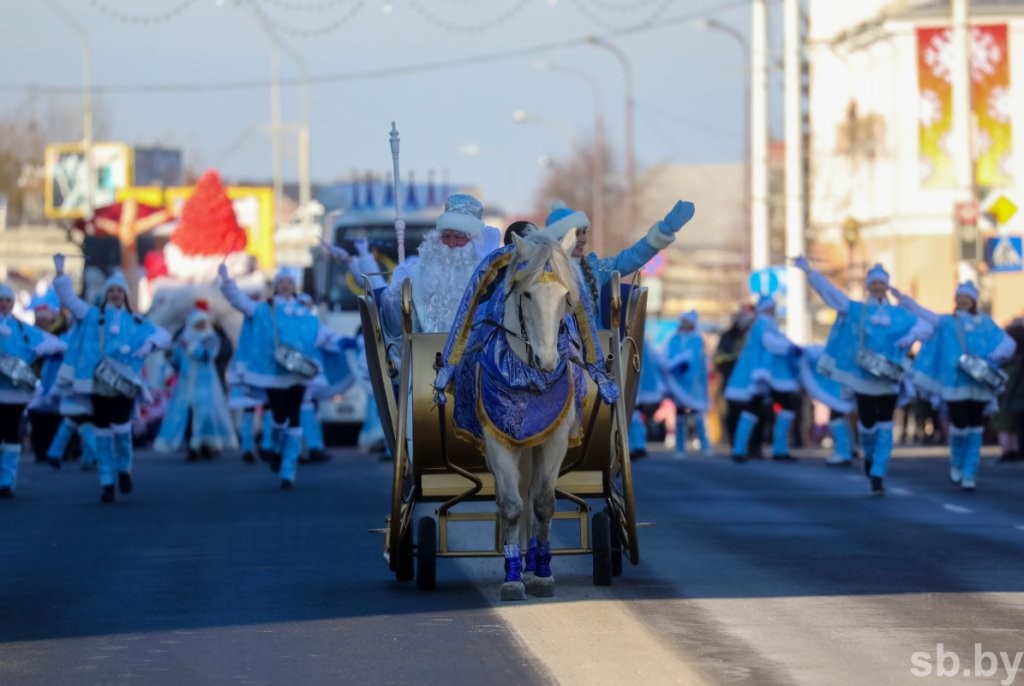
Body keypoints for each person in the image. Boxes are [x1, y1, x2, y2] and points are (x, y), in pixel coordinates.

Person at [795, 257, 931, 494]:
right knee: (867, 423)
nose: (878, 287)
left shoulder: (899, 314)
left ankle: (879, 470)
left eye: (881, 283)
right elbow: (832, 295)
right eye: (874, 283)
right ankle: (870, 456)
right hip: (863, 377)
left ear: (886, 286)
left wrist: (910, 338)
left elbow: (926, 326)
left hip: (889, 377)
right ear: (868, 286)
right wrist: (811, 273)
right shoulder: (857, 310)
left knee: (886, 422)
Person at [52, 255, 171, 503]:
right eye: (112, 290)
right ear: (106, 293)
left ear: (125, 295)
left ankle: (124, 469)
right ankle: (107, 481)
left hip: (124, 386)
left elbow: (163, 336)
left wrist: (148, 344)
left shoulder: (136, 321)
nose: (116, 294)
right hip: (97, 385)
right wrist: (61, 276)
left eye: (120, 290)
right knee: (103, 432)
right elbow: (70, 301)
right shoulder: (91, 315)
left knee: (121, 429)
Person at [218, 264, 338, 489]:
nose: (285, 286)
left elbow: (320, 333)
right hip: (272, 372)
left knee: (294, 417)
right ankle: (276, 448)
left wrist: (342, 341)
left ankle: (288, 470)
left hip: (298, 372)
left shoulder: (304, 311)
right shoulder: (265, 308)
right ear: (275, 286)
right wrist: (226, 281)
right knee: (279, 415)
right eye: (282, 282)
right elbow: (239, 301)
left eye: (289, 283)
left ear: (295, 287)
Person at [895, 281, 1016, 490]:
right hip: (954, 382)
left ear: (974, 300)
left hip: (979, 382)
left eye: (966, 297)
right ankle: (957, 463)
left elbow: (1007, 343)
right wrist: (903, 300)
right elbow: (924, 313)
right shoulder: (946, 322)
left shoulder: (985, 323)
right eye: (959, 297)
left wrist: (998, 354)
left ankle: (970, 472)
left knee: (976, 427)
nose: (962, 300)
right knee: (959, 425)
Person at [540, 199, 695, 322]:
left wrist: (663, 231)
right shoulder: (544, 274)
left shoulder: (595, 269)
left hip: (594, 356)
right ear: (560, 238)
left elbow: (631, 257)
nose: (583, 239)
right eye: (576, 234)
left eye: (584, 232)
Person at [380, 193, 497, 336]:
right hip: (425, 352)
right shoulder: (415, 272)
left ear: (473, 241)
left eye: (459, 237)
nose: (451, 244)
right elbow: (395, 328)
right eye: (446, 236)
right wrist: (394, 296)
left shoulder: (488, 276)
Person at [0, 283, 66, 497]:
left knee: (11, 435)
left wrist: (40, 351)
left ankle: (7, 480)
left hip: (17, 393)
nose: (4, 304)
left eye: (8, 300)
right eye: (1, 300)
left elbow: (55, 344)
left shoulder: (22, 328)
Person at [723, 295, 803, 463]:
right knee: (782, 407)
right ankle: (777, 449)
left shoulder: (762, 324)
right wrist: (791, 348)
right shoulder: (764, 323)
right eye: (772, 307)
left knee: (754, 409)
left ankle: (741, 449)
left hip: (764, 374)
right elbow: (771, 343)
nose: (774, 310)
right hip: (766, 374)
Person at [154, 302, 238, 459]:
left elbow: (208, 356)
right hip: (186, 385)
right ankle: (192, 445)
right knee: (187, 414)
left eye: (202, 323)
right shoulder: (183, 339)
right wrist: (171, 356)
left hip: (206, 384)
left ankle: (208, 444)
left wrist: (192, 347)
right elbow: (177, 362)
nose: (200, 326)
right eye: (197, 323)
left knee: (207, 414)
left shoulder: (211, 338)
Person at [661, 310, 712, 458]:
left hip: (694, 383)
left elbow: (698, 361)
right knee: (680, 414)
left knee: (697, 414)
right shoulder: (674, 338)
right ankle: (680, 447)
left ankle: (705, 444)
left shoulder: (697, 339)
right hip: (678, 382)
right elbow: (666, 358)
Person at [798, 344, 856, 466]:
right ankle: (848, 450)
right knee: (840, 413)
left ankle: (844, 452)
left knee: (838, 413)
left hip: (845, 375)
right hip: (849, 374)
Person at [714, 304, 756, 452]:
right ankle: (735, 443)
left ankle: (752, 446)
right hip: (731, 380)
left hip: (753, 382)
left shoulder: (754, 335)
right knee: (733, 413)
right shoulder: (728, 337)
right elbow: (718, 359)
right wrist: (735, 360)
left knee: (753, 413)